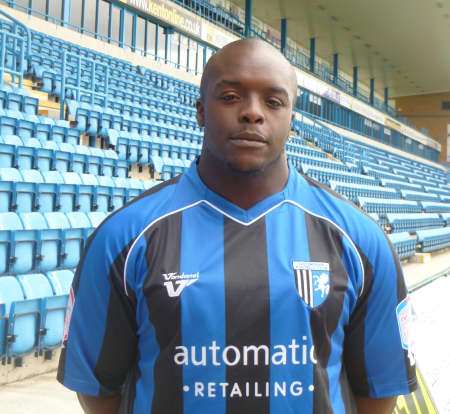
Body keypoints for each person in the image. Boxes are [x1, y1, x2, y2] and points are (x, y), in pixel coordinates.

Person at [57, 38, 417, 414]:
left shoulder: (361, 242)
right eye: (230, 96)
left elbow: (377, 388)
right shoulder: (123, 238)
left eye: (273, 102)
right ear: (200, 110)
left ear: (292, 119)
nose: (252, 113)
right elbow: (99, 389)